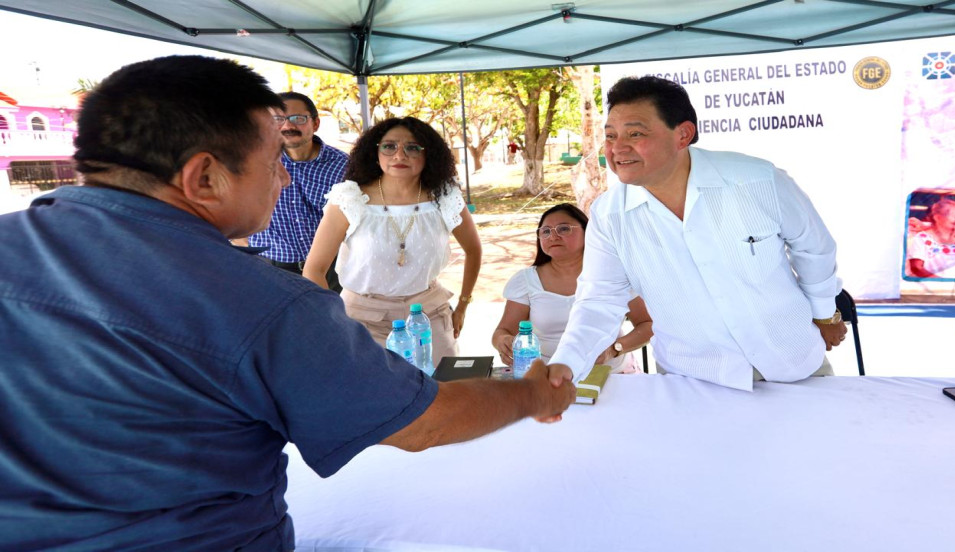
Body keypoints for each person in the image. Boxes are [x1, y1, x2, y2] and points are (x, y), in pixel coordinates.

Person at [0, 55, 575, 551]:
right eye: (274, 160)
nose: (283, 179)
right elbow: (424, 423)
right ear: (205, 178)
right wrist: (530, 391)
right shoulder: (269, 307)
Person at [547, 75, 846, 392]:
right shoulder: (609, 216)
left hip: (793, 364)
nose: (618, 148)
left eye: (635, 133)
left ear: (683, 134)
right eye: (610, 136)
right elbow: (598, 302)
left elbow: (815, 249)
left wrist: (825, 314)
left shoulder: (758, 180)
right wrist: (565, 363)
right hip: (694, 380)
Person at [303, 117, 481, 364]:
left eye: (412, 147)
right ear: (375, 153)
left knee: (443, 390)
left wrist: (463, 304)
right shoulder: (350, 199)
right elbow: (314, 269)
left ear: (428, 155)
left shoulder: (444, 197)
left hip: (429, 315)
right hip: (362, 320)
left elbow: (473, 250)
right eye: (389, 146)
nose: (400, 155)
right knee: (375, 396)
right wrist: (336, 323)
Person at [492, 203, 653, 373]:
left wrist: (614, 349)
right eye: (545, 231)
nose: (553, 236)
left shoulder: (613, 274)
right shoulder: (526, 280)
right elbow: (504, 330)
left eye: (563, 229)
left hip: (611, 373)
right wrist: (503, 341)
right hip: (548, 376)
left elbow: (647, 324)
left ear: (587, 231)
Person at [247, 91, 347, 292]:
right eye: (278, 119)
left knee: (334, 320)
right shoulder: (252, 161)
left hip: (332, 269)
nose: (288, 126)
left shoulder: (344, 166)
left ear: (315, 123)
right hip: (271, 268)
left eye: (298, 119)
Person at [906, 198, 955, 278]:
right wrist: (941, 281)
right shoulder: (922, 239)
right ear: (938, 217)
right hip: (937, 285)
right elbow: (916, 268)